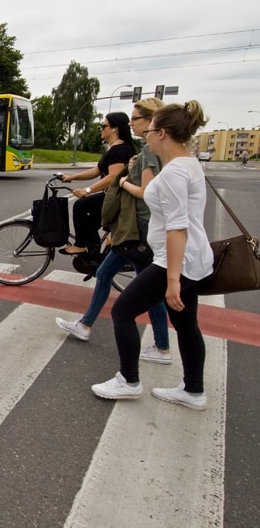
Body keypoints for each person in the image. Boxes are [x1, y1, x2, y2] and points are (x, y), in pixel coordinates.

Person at [91, 101, 213, 410]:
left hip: (176, 261)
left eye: (152, 129)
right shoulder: (188, 163)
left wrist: (172, 279)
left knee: (122, 312)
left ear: (164, 133)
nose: (147, 134)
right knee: (186, 325)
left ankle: (129, 380)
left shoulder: (174, 173)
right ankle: (193, 391)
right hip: (191, 258)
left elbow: (177, 228)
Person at [56, 99, 171, 364]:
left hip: (139, 229)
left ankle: (161, 349)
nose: (132, 123)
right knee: (106, 272)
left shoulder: (151, 152)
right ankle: (85, 325)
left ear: (151, 121)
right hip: (134, 227)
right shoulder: (149, 151)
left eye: (137, 118)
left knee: (147, 289)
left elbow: (147, 193)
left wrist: (123, 181)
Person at [60, 112, 135, 255]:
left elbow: (113, 176)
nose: (100, 128)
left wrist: (87, 191)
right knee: (90, 224)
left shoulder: (119, 149)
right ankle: (94, 258)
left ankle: (81, 245)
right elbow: (97, 170)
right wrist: (71, 177)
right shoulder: (115, 148)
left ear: (114, 128)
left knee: (80, 206)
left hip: (116, 196)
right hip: (114, 194)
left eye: (103, 125)